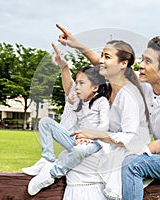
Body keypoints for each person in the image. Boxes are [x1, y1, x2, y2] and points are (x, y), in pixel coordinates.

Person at [56, 24, 160, 200]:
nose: (140, 65)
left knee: (131, 164)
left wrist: (130, 148)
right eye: (142, 59)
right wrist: (77, 45)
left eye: (148, 62)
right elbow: (110, 66)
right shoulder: (144, 85)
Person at [53, 25, 151, 199]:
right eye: (102, 56)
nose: (101, 61)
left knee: (74, 165)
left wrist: (95, 135)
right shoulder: (105, 88)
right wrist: (70, 56)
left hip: (123, 155)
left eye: (107, 57)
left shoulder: (128, 94)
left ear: (123, 64)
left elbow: (129, 137)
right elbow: (74, 93)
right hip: (106, 149)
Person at [22, 45, 110, 196]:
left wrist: (90, 136)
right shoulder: (79, 100)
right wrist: (64, 66)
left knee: (80, 150)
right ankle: (47, 159)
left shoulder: (101, 102)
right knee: (45, 122)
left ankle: (52, 174)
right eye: (77, 83)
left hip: (95, 143)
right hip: (76, 140)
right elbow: (68, 86)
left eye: (81, 83)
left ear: (95, 87)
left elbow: (105, 125)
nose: (77, 87)